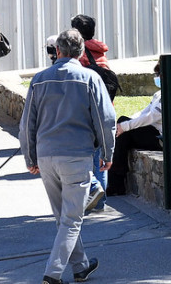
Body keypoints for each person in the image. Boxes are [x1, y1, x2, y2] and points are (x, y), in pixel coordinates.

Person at [19, 29, 115, 284]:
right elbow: (105, 119)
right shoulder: (89, 78)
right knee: (72, 219)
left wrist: (30, 157)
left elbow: (27, 122)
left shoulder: (39, 79)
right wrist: (107, 151)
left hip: (47, 155)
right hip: (76, 155)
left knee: (64, 218)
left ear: (58, 51)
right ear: (81, 52)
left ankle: (81, 266)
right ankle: (53, 273)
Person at [71, 14, 112, 213]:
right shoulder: (101, 52)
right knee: (101, 159)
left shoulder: (80, 57)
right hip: (104, 110)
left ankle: (92, 192)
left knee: (83, 158)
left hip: (85, 114)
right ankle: (101, 201)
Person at [107, 63, 163, 196]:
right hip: (151, 132)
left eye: (158, 75)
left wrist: (126, 126)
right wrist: (125, 123)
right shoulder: (158, 94)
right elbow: (143, 112)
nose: (156, 78)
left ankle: (116, 183)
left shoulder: (170, 94)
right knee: (122, 126)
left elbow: (151, 117)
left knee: (123, 131)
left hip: (160, 138)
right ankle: (116, 183)